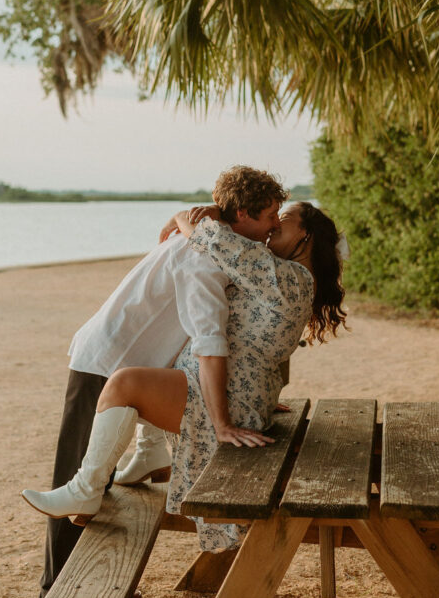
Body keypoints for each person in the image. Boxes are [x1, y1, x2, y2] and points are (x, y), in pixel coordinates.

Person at [22, 199, 347, 553]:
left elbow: (220, 244)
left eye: (282, 220)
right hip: (237, 392)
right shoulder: (288, 277)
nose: (273, 226)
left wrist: (184, 217)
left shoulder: (287, 276)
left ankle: (85, 491)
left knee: (123, 384)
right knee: (157, 360)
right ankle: (146, 456)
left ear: (306, 234)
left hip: (223, 398)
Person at [30, 166, 288, 598]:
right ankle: (55, 590)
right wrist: (223, 423)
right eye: (270, 216)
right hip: (106, 360)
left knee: (99, 483)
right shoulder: (203, 257)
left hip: (125, 361)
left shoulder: (208, 240)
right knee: (78, 482)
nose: (275, 225)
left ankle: (85, 585)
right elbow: (209, 339)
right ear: (241, 214)